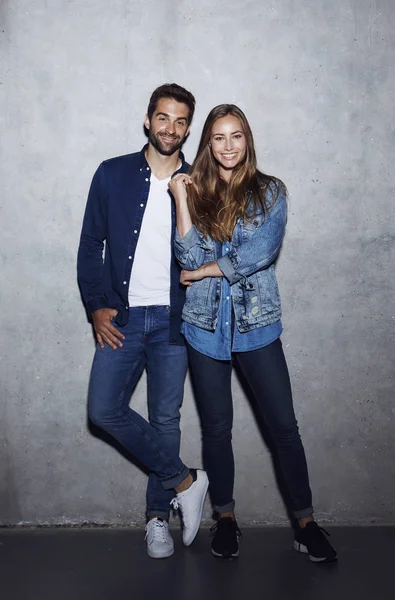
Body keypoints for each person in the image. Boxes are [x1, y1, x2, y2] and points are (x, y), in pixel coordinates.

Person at [169, 104, 337, 563]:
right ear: (208, 143)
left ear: (247, 140)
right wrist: (182, 201)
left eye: (236, 136)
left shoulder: (270, 192)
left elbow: (257, 253)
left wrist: (207, 269)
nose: (228, 146)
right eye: (218, 137)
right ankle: (226, 518)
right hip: (204, 327)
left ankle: (305, 523)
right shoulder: (197, 192)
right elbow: (186, 258)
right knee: (217, 430)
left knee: (284, 427)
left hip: (256, 326)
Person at [77, 83, 208, 559]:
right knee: (104, 409)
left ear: (188, 128)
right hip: (125, 317)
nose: (170, 128)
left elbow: (207, 252)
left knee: (165, 418)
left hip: (175, 319)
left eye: (180, 121)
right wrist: (96, 305)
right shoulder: (112, 174)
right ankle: (186, 481)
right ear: (147, 120)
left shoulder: (201, 182)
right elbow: (92, 243)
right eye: (162, 118)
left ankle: (157, 518)